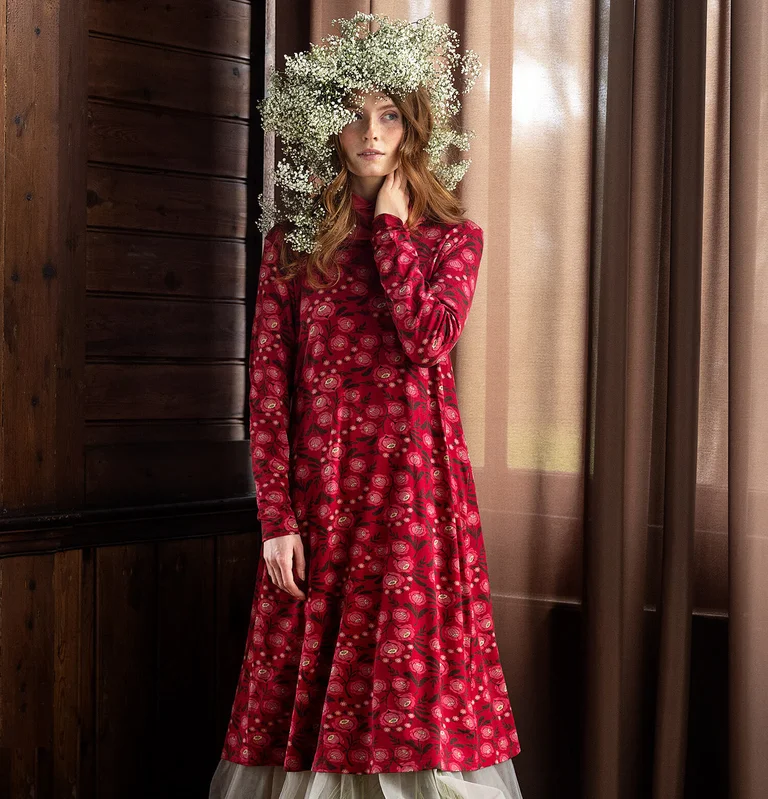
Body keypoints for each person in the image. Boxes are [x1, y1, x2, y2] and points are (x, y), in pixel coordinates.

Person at [209, 12, 523, 799]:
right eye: (354, 114)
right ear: (328, 126)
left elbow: (426, 338)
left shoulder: (454, 240)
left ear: (412, 127)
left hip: (415, 500)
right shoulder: (290, 246)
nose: (372, 132)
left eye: (389, 115)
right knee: (309, 688)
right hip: (322, 500)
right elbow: (270, 389)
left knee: (414, 689)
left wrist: (389, 228)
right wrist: (275, 517)